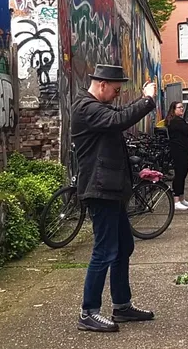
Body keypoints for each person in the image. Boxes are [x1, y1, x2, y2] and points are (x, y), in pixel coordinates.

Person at [71, 64, 158, 332]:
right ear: (101, 85)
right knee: (105, 249)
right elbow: (118, 119)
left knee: (123, 247)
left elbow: (119, 114)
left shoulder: (98, 107)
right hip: (99, 189)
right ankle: (89, 311)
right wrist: (147, 100)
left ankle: (122, 306)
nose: (117, 95)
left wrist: (143, 100)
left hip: (110, 188)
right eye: (116, 90)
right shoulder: (85, 108)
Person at [165, 101, 188, 211]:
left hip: (183, 151)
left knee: (183, 174)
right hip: (179, 151)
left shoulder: (178, 121)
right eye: (179, 107)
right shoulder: (175, 122)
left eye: (182, 107)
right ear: (174, 109)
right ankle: (176, 200)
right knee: (179, 175)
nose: (182, 109)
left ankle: (181, 198)